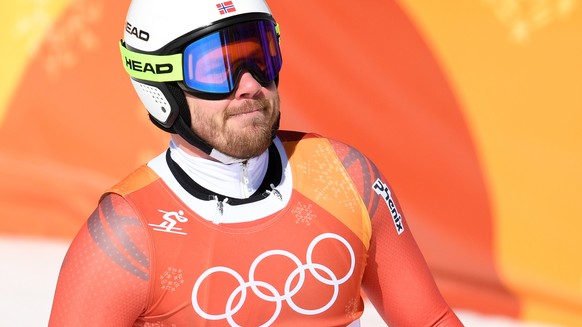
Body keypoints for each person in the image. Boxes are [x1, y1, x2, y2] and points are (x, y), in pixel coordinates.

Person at [49, 0, 464, 326]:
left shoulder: (345, 175)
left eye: (259, 55)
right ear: (161, 87)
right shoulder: (123, 239)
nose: (249, 85)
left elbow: (430, 320)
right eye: (216, 68)